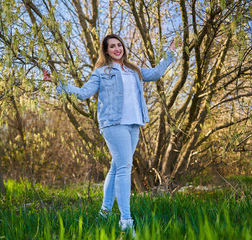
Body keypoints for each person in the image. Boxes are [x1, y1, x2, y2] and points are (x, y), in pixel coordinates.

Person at [44, 34, 178, 235]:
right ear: (105, 51)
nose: (117, 49)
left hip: (134, 123)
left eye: (119, 45)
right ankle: (126, 220)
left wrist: (170, 53)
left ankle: (104, 213)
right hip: (113, 124)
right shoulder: (101, 72)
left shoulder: (134, 70)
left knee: (116, 167)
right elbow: (82, 93)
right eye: (112, 46)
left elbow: (156, 73)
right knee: (125, 167)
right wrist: (57, 81)